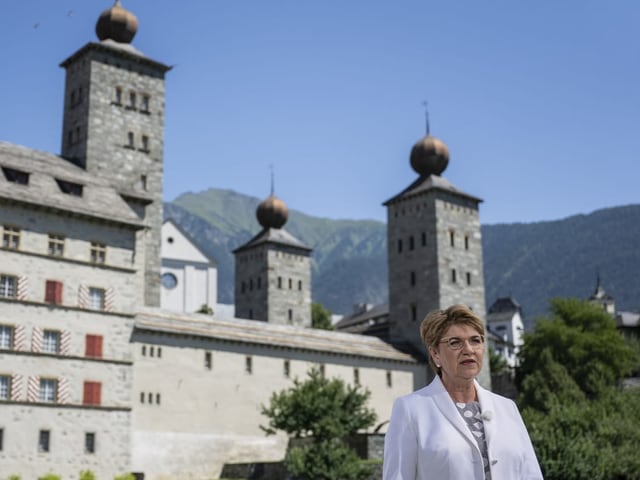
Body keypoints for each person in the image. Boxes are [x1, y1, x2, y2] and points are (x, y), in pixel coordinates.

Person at [383, 304, 543, 480]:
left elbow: (531, 474)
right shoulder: (410, 410)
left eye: (475, 340)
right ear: (435, 354)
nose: (468, 350)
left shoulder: (507, 408)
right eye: (455, 342)